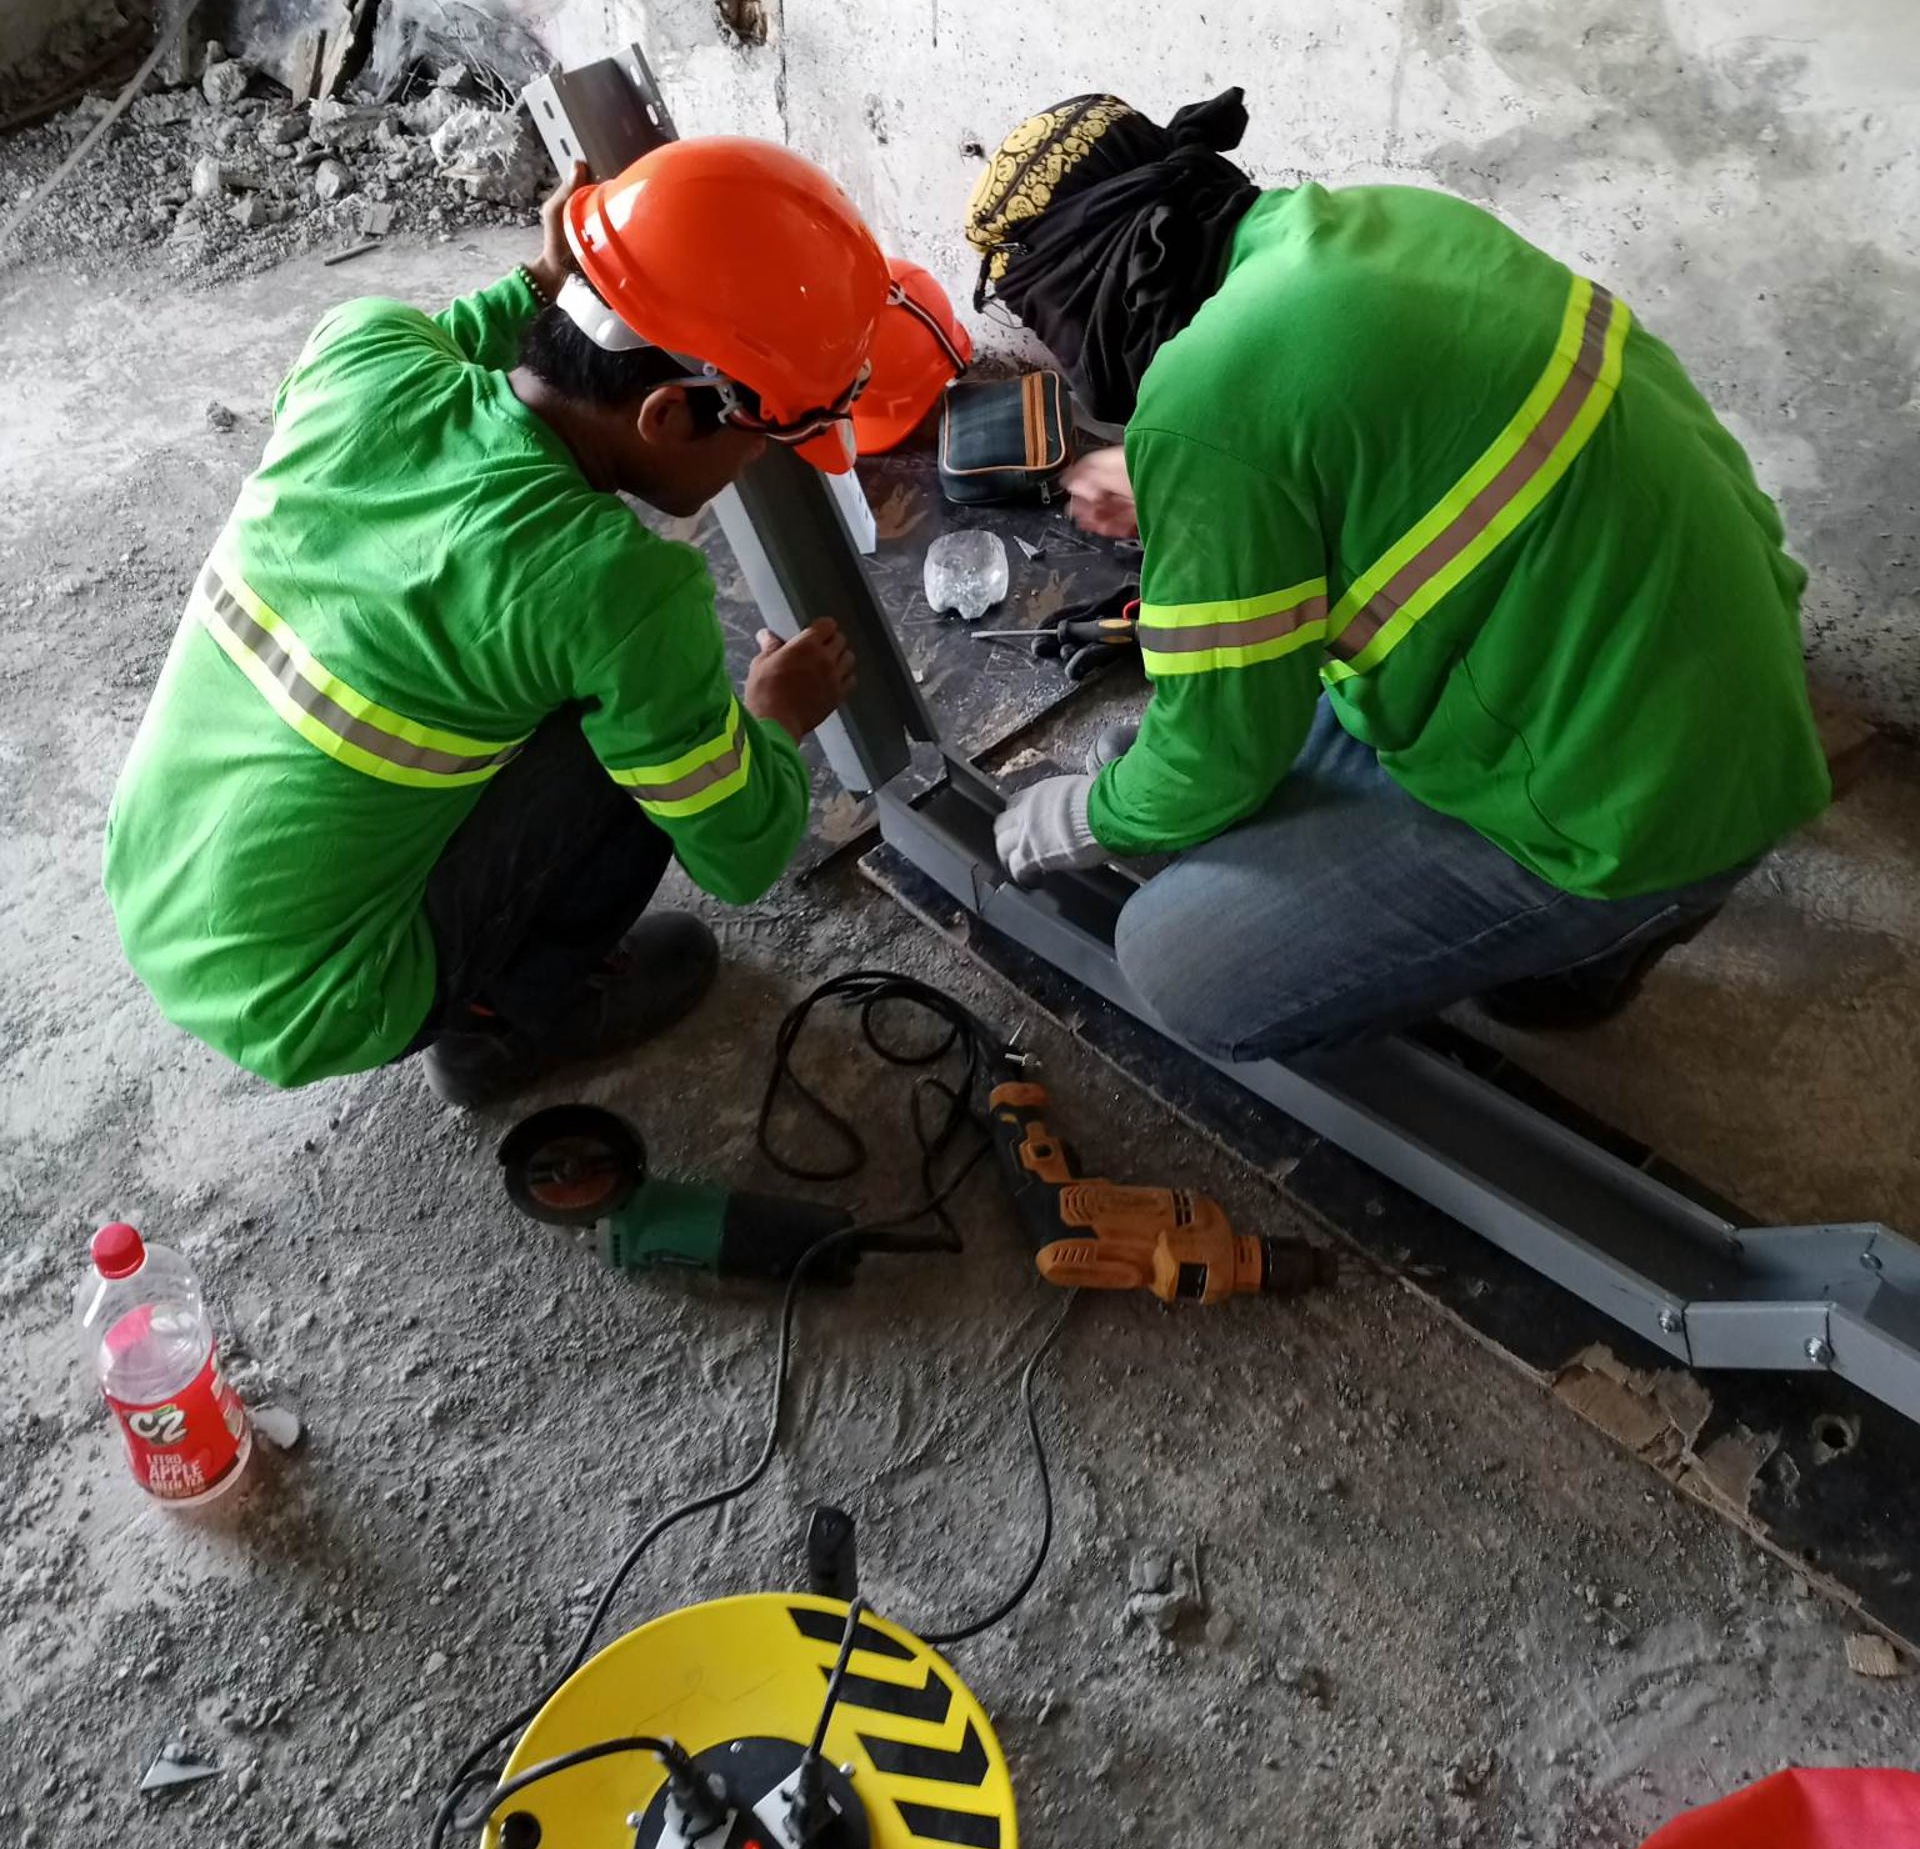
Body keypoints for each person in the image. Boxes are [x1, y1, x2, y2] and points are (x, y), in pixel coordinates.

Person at [970, 88, 1830, 1065]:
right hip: (1707, 676)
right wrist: (1184, 479)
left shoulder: (1209, 402)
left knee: (1178, 956)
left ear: (1102, 274)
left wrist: (1079, 819)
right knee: (1142, 754)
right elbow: (1371, 440)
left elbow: (1211, 759)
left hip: (1628, 811)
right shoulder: (1379, 223)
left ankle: (1583, 949)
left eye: (1044, 310)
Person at [104, 138, 888, 1108]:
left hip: (155, 871)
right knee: (647, 737)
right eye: (761, 439)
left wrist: (543, 277)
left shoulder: (362, 351)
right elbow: (742, 853)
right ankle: (504, 1025)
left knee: (562, 682)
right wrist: (775, 718)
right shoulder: (619, 588)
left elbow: (471, 338)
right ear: (666, 416)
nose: (758, 462)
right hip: (323, 996)